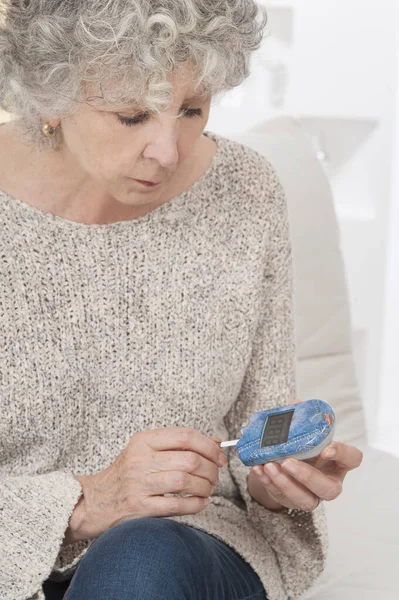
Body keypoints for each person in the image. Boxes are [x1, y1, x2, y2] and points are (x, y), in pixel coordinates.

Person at [0, 2, 363, 600]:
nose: (167, 151)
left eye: (192, 109)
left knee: (141, 558)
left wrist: (278, 485)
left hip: (182, 558)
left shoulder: (245, 192)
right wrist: (85, 502)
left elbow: (258, 424)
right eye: (132, 114)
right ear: (49, 96)